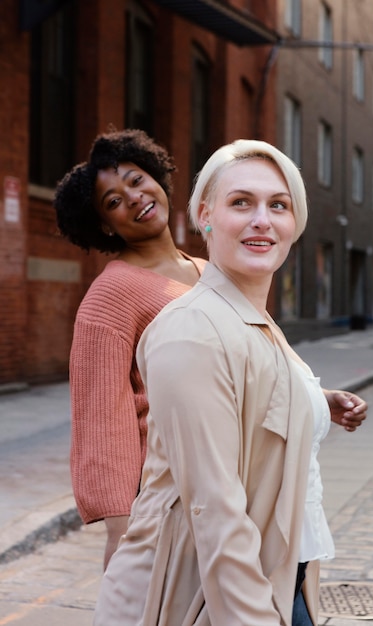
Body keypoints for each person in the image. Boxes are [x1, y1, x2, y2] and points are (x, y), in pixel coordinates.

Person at [93, 139, 368, 625]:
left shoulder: (251, 319)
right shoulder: (192, 331)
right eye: (241, 202)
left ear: (294, 224)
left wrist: (318, 401)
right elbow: (214, 512)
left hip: (281, 576)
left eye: (278, 205)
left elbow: (254, 395)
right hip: (203, 592)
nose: (262, 219)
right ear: (205, 216)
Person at [53, 128, 206, 569]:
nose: (134, 197)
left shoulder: (211, 270)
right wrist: (121, 529)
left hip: (234, 474)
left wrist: (317, 399)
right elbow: (100, 415)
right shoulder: (111, 295)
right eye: (114, 201)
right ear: (103, 224)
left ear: (156, 177)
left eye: (136, 180)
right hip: (168, 491)